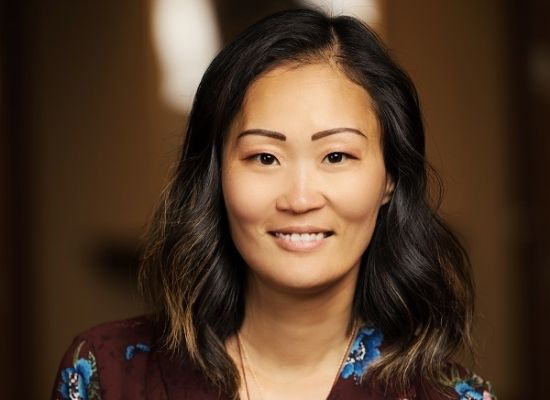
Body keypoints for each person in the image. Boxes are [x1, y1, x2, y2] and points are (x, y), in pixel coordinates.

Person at [51, 8, 496, 400]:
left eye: (336, 156)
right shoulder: (106, 376)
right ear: (216, 176)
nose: (300, 199)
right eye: (265, 157)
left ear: (389, 179)